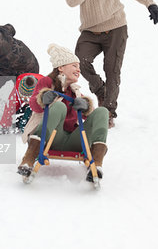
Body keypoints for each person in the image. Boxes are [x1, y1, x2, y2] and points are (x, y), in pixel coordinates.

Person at [62, 0, 158, 128]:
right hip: (90, 30)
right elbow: (70, 1)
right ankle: (101, 90)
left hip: (116, 27)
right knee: (80, 61)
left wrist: (150, 4)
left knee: (112, 70)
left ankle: (107, 112)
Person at [18, 44, 109, 182]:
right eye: (74, 65)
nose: (78, 69)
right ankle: (28, 159)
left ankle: (97, 164)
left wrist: (86, 106)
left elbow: (90, 117)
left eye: (78, 66)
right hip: (48, 137)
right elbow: (34, 106)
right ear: (61, 67)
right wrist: (43, 98)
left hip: (73, 141)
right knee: (59, 106)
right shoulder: (47, 82)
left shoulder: (75, 91)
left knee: (102, 111)